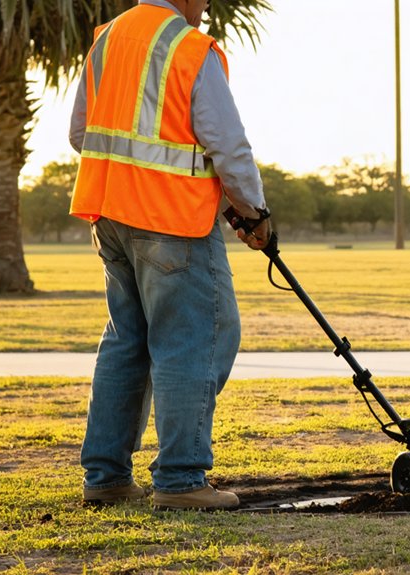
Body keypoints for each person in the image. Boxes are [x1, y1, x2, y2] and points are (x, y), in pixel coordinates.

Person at [69, 0, 271, 510]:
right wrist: (255, 211)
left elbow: (80, 133)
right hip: (172, 222)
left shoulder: (107, 39)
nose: (206, 4)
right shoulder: (189, 47)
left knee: (127, 341)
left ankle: (107, 477)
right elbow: (228, 146)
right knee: (196, 338)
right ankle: (181, 480)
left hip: (110, 216)